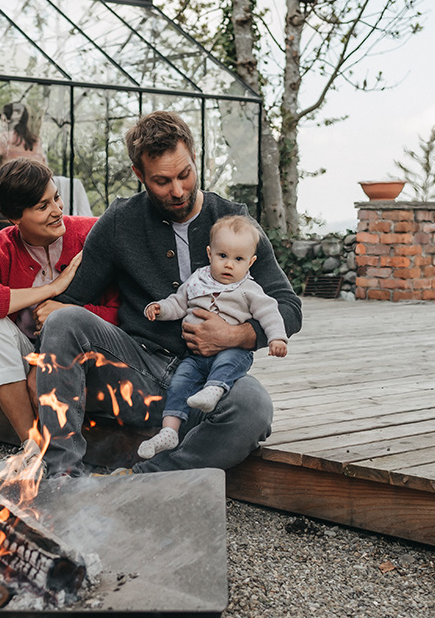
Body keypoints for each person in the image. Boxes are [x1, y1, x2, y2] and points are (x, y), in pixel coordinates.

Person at [32, 111, 302, 477]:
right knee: (64, 321)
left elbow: (288, 307)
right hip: (135, 374)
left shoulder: (236, 223)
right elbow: (73, 302)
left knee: (252, 407)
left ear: (194, 156)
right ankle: (62, 475)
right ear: (139, 175)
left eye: (185, 174)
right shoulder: (119, 222)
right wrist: (41, 307)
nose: (178, 190)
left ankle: (144, 478)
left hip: (208, 385)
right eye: (162, 181)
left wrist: (237, 335)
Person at [0, 158, 118, 451]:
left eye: (56, 197)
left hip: (90, 360)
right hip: (26, 358)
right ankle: (31, 447)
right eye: (42, 207)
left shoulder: (91, 235)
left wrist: (67, 320)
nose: (57, 211)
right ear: (14, 218)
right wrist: (52, 288)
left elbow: (123, 311)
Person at [137, 215, 289, 460]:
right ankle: (169, 430)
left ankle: (214, 390)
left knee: (227, 362)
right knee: (180, 382)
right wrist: (160, 309)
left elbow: (270, 312)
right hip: (194, 356)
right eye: (223, 256)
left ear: (251, 262)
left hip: (233, 351)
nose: (229, 265)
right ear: (210, 254)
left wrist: (277, 338)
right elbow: (178, 302)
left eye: (238, 259)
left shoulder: (249, 289)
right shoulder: (198, 280)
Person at [0, 103, 50, 242]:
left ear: (5, 118)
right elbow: (44, 170)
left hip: (8, 204)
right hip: (34, 205)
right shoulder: (35, 141)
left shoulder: (5, 139)